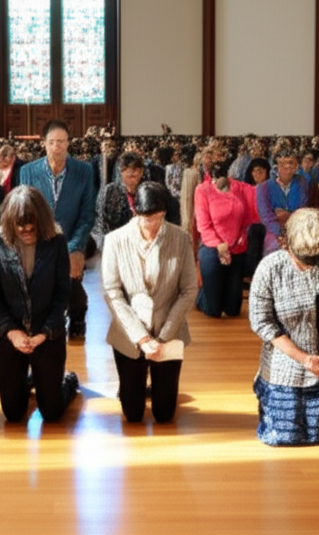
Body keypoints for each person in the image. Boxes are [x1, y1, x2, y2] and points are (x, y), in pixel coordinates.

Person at [248, 208, 319, 446]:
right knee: (285, 437)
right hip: (287, 366)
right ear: (286, 244)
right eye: (304, 259)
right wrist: (304, 359)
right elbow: (262, 322)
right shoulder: (269, 268)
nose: (312, 265)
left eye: (318, 259)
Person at [0, 186, 79, 423]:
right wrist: (12, 332)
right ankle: (31, 378)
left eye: (31, 224)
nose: (26, 230)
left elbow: (62, 293)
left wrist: (45, 332)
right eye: (20, 224)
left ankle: (66, 380)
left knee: (52, 413)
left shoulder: (56, 241)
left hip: (47, 333)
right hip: (9, 335)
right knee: (13, 413)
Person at [102, 182, 198, 423]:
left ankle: (159, 389)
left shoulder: (180, 238)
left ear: (164, 212)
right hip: (129, 334)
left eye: (156, 218)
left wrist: (163, 337)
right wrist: (142, 339)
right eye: (145, 218)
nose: (150, 224)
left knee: (164, 414)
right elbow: (112, 292)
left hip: (169, 329)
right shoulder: (115, 240)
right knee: (132, 414)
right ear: (136, 212)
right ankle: (132, 389)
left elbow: (188, 290)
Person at [19, 120, 96, 340]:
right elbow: (24, 211)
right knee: (40, 291)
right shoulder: (27, 172)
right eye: (52, 142)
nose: (57, 147)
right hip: (38, 241)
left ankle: (78, 317)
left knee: (71, 285)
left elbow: (87, 214)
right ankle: (49, 323)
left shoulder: (84, 171)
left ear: (68, 143)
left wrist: (74, 248)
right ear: (44, 144)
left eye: (61, 142)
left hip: (72, 240)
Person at [194, 160, 259, 317]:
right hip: (211, 247)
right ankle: (203, 295)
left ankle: (215, 289)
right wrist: (219, 245)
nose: (216, 181)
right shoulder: (202, 190)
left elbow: (248, 217)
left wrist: (242, 236)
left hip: (236, 247)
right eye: (213, 176)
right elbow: (203, 225)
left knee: (232, 310)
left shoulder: (240, 188)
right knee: (213, 310)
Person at [95, 152, 181, 251]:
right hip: (118, 243)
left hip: (149, 243)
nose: (131, 173)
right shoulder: (109, 192)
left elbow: (172, 210)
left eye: (135, 169)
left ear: (141, 172)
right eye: (126, 169)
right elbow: (101, 221)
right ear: (121, 171)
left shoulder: (151, 191)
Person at [256, 148, 310, 257]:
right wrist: (281, 233)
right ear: (277, 166)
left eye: (292, 163)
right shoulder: (263, 188)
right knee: (274, 251)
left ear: (296, 166)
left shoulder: (302, 182)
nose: (288, 166)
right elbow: (266, 216)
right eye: (284, 163)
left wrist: (283, 215)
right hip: (275, 232)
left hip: (296, 229)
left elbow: (301, 210)